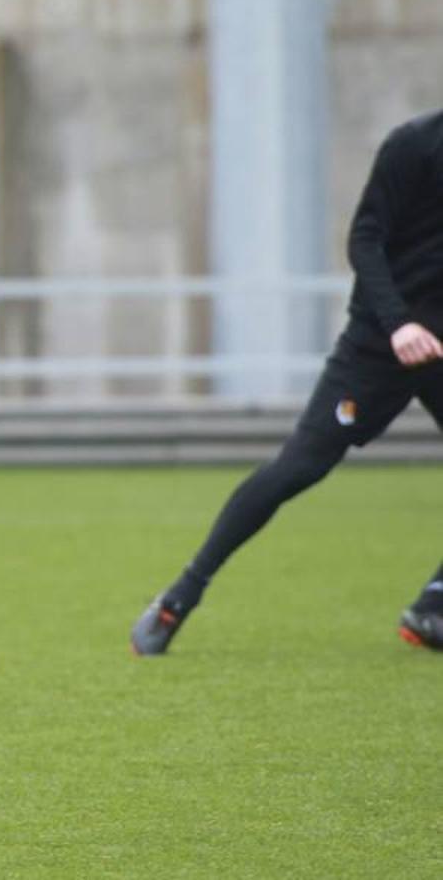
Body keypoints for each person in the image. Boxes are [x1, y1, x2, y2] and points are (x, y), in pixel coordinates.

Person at [131, 109, 443, 656]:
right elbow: (365, 239)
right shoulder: (413, 145)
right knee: (299, 467)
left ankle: (432, 607)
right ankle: (178, 597)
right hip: (379, 346)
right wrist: (398, 324)